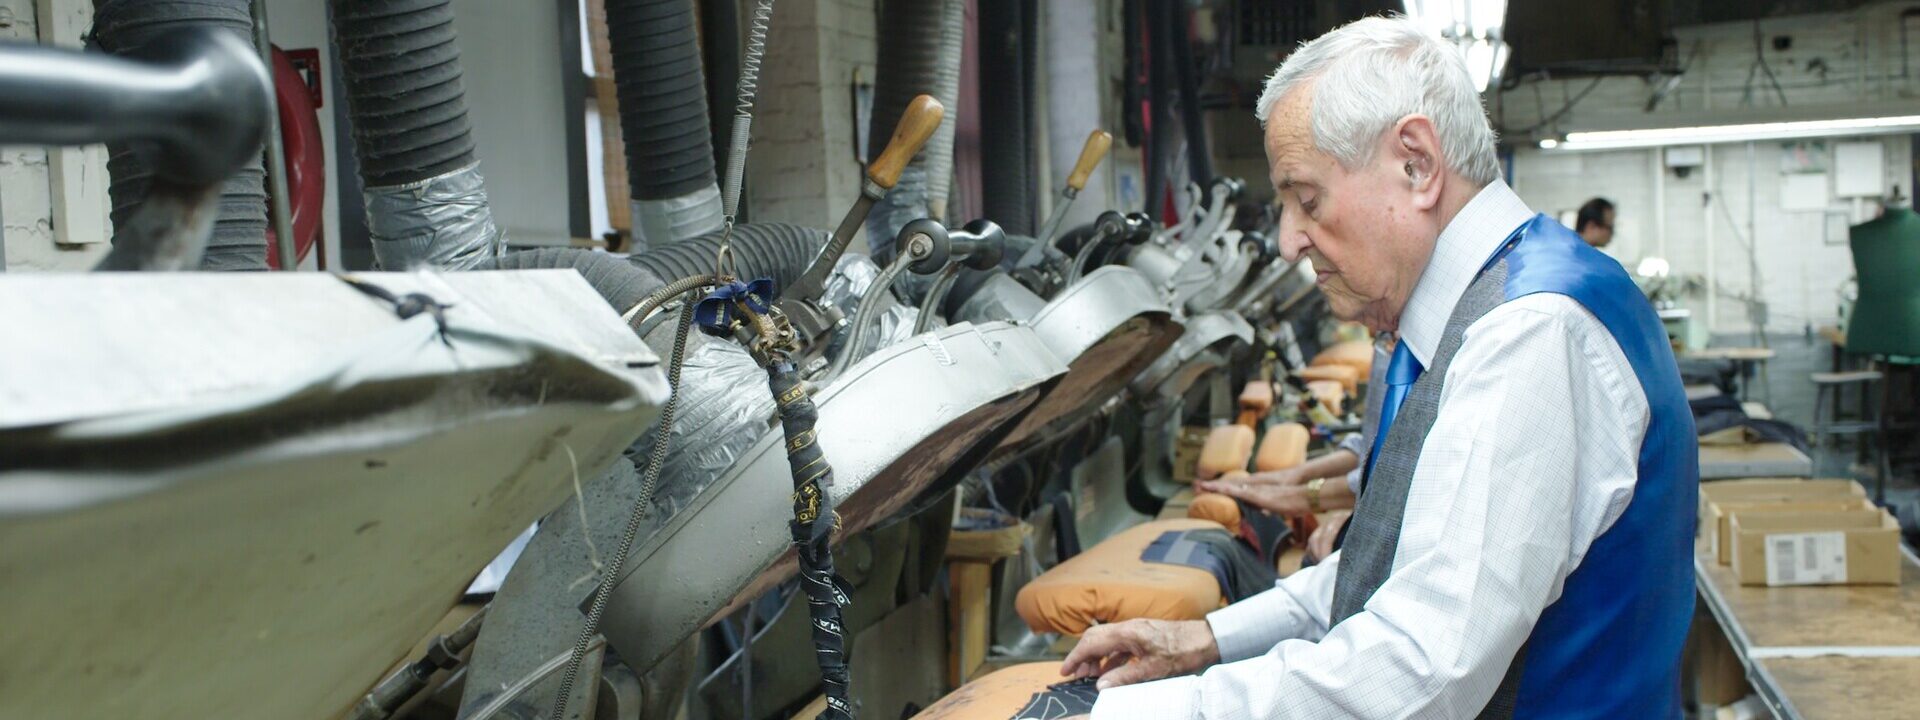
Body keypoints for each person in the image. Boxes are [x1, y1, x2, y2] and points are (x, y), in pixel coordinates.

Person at [1059, 15, 1697, 719]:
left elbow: (1421, 664)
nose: (1288, 240)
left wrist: (1104, 715)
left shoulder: (1526, 335)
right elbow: (1395, 575)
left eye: (1306, 199)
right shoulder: (1459, 323)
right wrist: (1205, 639)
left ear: (1416, 165)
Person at [1195, 336, 1394, 563]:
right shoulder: (1385, 341)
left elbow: (1396, 473)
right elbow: (1374, 445)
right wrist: (1293, 476)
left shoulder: (1420, 356)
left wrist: (1298, 497)